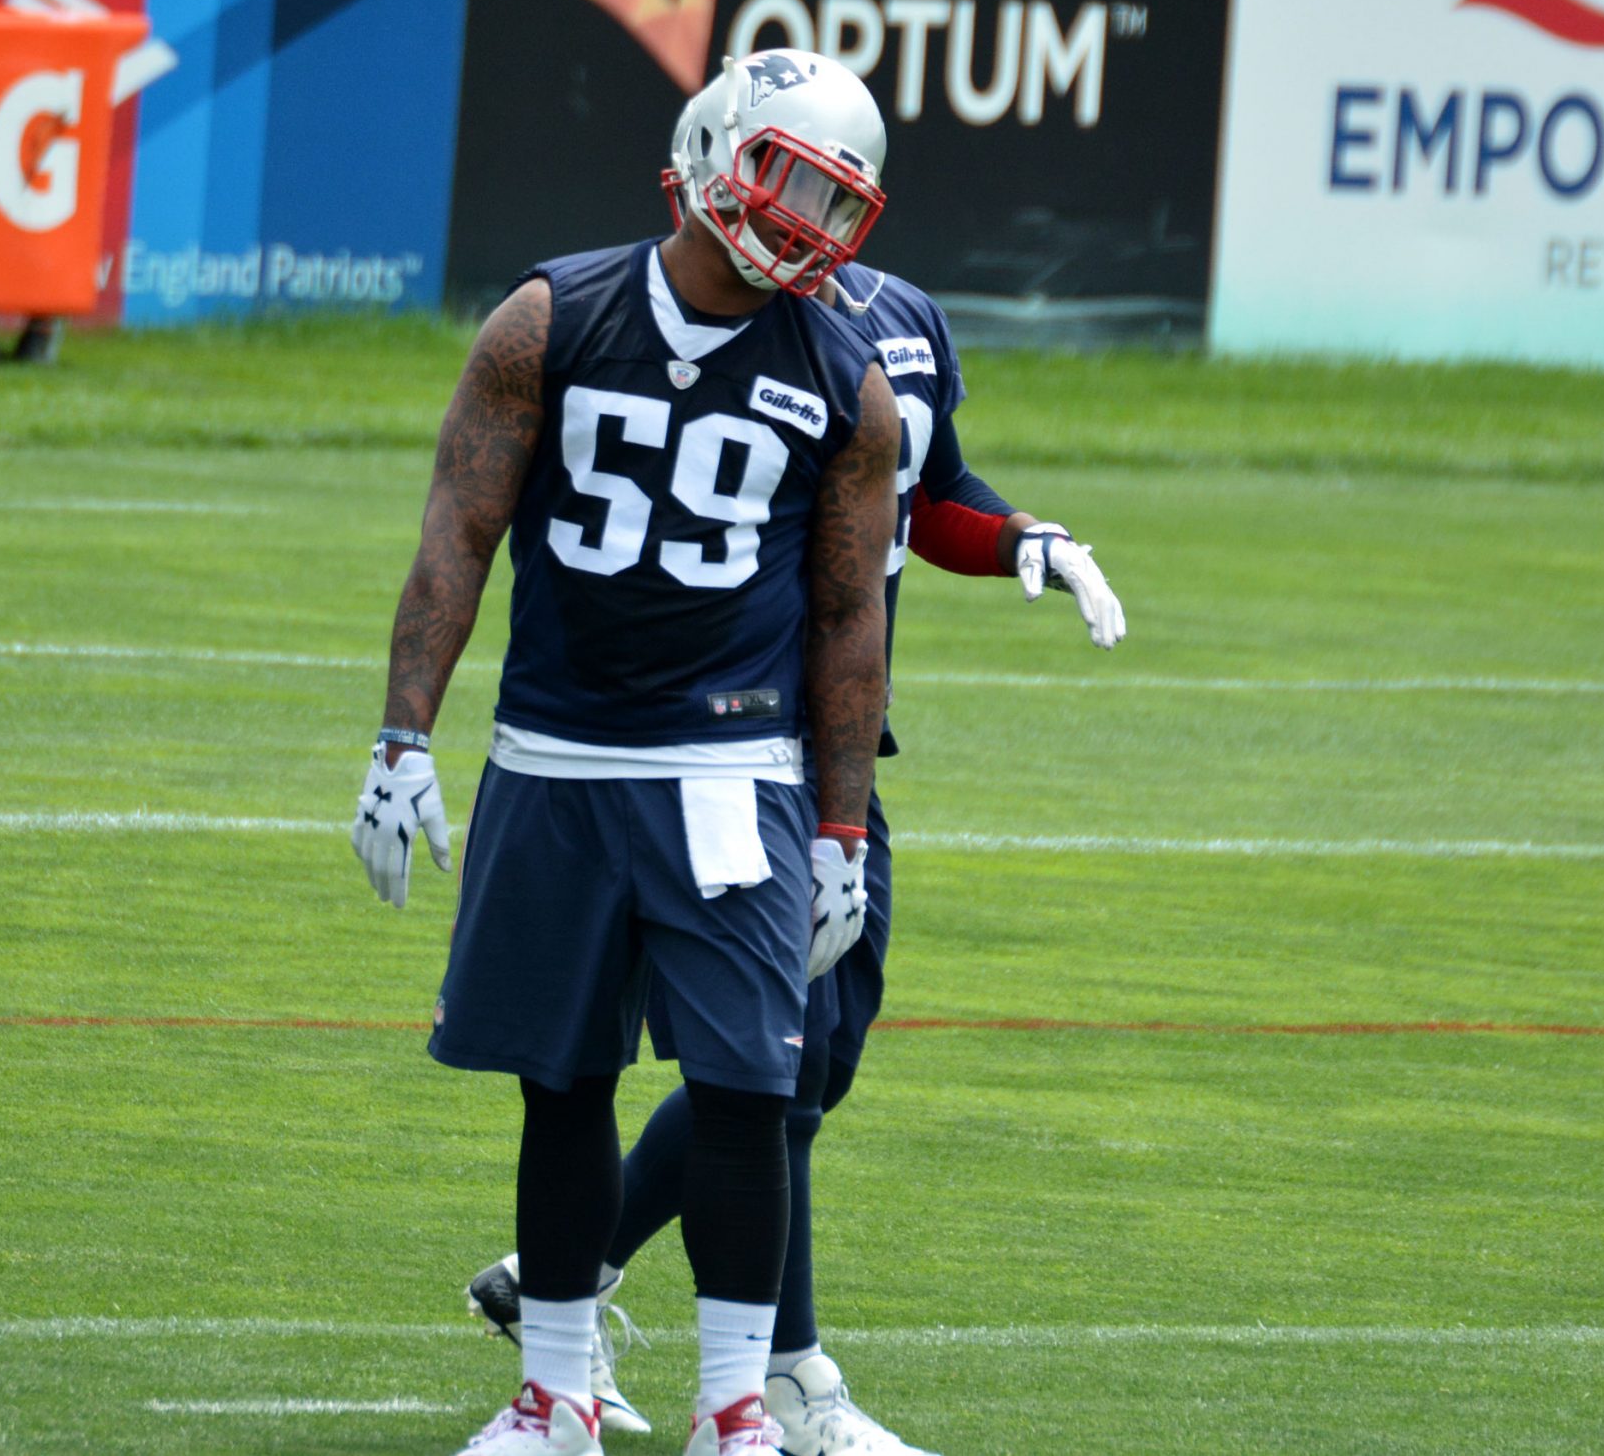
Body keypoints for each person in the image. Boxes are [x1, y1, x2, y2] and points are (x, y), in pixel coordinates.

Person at [467, 247, 1127, 1453]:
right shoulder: (696, 309)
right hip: (726, 743)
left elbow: (931, 490)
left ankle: (584, 1279)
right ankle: (773, 1374)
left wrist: (1021, 536)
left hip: (834, 743)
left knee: (808, 1064)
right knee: (763, 1073)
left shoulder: (902, 317)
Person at [353, 48, 902, 1456]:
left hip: (732, 774)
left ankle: (736, 1412)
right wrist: (402, 735)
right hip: (554, 755)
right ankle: (553, 1397)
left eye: (832, 204)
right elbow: (458, 530)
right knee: (562, 1081)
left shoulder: (846, 380)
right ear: (712, 149)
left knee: (747, 1091)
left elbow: (850, 617)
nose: (802, 224)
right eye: (784, 180)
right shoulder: (552, 316)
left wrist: (842, 827)